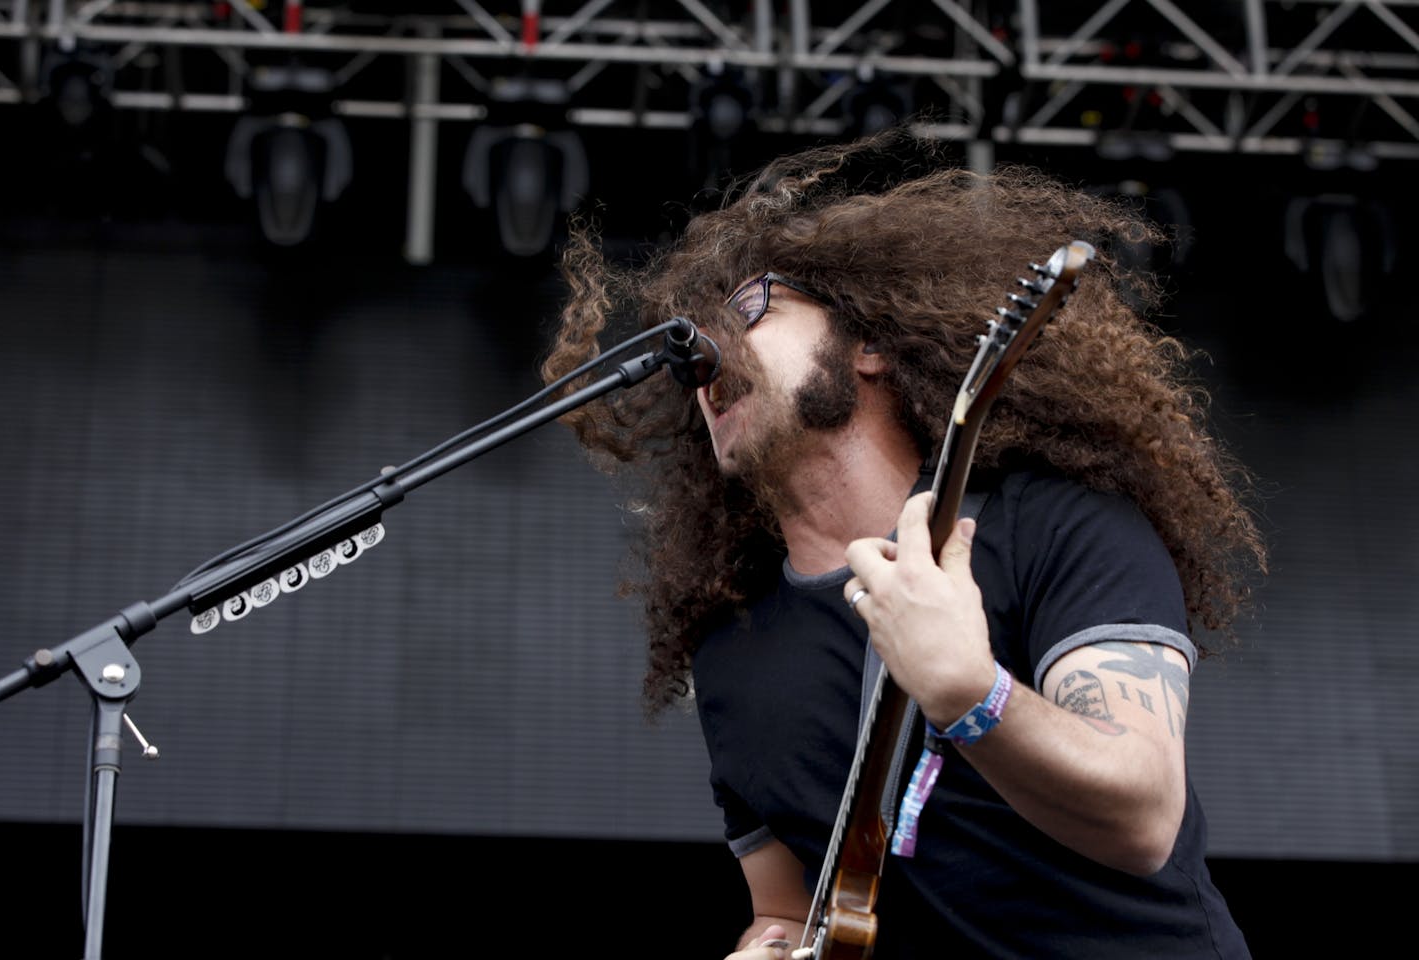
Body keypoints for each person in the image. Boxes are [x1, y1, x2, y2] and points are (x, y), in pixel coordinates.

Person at [540, 126, 1267, 958]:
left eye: (748, 310)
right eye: (691, 356)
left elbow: (1141, 816)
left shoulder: (1056, 524)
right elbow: (787, 909)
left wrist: (970, 692)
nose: (706, 358)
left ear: (871, 344)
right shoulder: (729, 651)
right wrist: (764, 947)